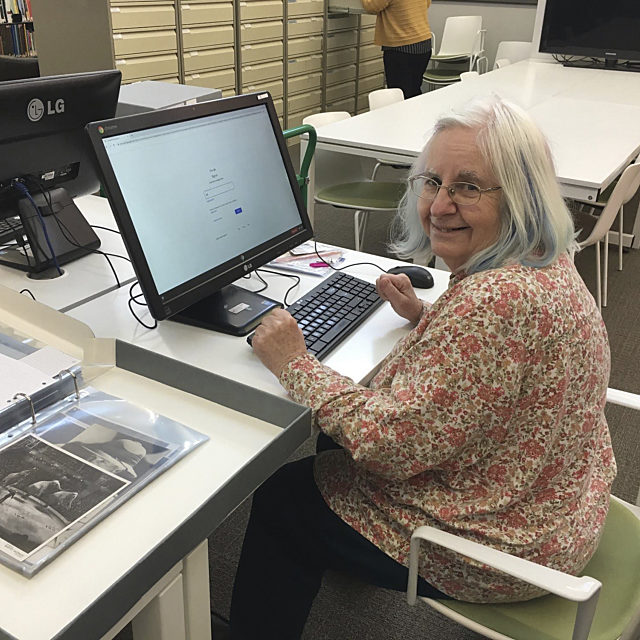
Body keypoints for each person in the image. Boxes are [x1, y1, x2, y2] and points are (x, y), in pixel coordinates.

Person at [229, 97, 615, 639]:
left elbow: (389, 446)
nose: (438, 205)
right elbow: (501, 356)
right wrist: (428, 316)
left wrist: (295, 362)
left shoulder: (496, 303)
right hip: (558, 499)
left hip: (507, 545)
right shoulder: (543, 258)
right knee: (338, 441)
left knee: (284, 497)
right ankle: (343, 549)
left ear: (521, 198)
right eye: (433, 181)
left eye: (468, 187)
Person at [361, 0, 432, 99]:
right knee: (414, 91)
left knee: (400, 96)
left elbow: (371, 6)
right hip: (423, 42)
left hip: (401, 46)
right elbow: (427, 4)